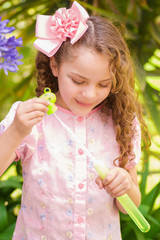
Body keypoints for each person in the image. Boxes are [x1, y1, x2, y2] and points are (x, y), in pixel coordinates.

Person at [0, 1, 149, 239]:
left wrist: (126, 186)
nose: (90, 94)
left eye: (104, 84)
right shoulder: (30, 118)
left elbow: (130, 204)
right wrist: (16, 130)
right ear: (55, 66)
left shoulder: (120, 121)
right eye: (78, 81)